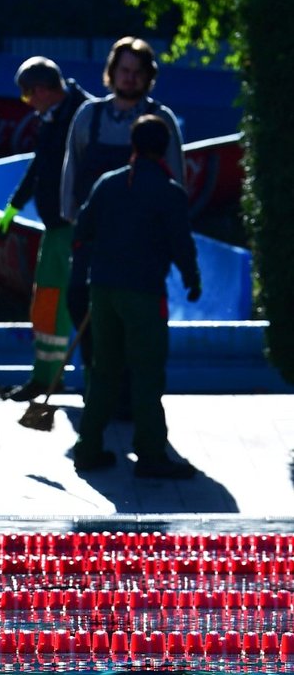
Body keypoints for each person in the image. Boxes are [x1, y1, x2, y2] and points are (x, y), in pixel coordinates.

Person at [66, 114, 201, 479]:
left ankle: (88, 448)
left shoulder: (107, 184)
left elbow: (82, 230)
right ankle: (151, 454)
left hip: (103, 291)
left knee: (104, 371)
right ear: (165, 147)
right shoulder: (169, 191)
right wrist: (192, 278)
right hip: (142, 294)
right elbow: (181, 244)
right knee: (146, 374)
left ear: (134, 144)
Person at [0, 57, 88, 400]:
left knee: (81, 303)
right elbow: (41, 165)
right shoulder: (51, 118)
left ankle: (94, 382)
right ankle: (46, 377)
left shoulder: (85, 115)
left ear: (40, 91)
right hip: (55, 226)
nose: (28, 105)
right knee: (48, 302)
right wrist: (14, 204)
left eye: (27, 96)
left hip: (79, 226)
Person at [60, 35, 185, 224]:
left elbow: (175, 176)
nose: (130, 78)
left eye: (138, 72)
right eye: (125, 70)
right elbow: (72, 166)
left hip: (143, 231)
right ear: (112, 71)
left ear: (148, 77)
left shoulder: (161, 118)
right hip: (94, 231)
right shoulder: (88, 114)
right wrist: (69, 215)